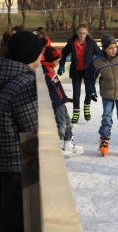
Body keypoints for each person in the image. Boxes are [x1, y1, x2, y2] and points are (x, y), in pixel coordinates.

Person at [0, 31, 43, 231]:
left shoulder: (6, 73)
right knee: (15, 221)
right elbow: (34, 129)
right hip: (15, 168)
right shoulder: (24, 84)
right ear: (31, 55)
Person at [41, 47, 84, 158]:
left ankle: (68, 144)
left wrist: (65, 98)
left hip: (60, 102)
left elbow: (57, 87)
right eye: (56, 61)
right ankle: (57, 146)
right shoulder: (45, 71)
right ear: (50, 60)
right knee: (61, 125)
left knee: (68, 123)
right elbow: (47, 90)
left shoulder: (50, 69)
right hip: (55, 104)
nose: (57, 63)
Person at [58, 22, 101, 124]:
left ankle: (87, 107)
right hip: (76, 71)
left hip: (88, 71)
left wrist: (99, 67)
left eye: (84, 33)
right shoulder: (72, 43)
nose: (82, 35)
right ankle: (76, 111)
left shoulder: (91, 43)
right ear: (77, 32)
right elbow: (63, 54)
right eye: (80, 33)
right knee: (76, 93)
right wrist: (61, 65)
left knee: (88, 92)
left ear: (87, 33)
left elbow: (99, 54)